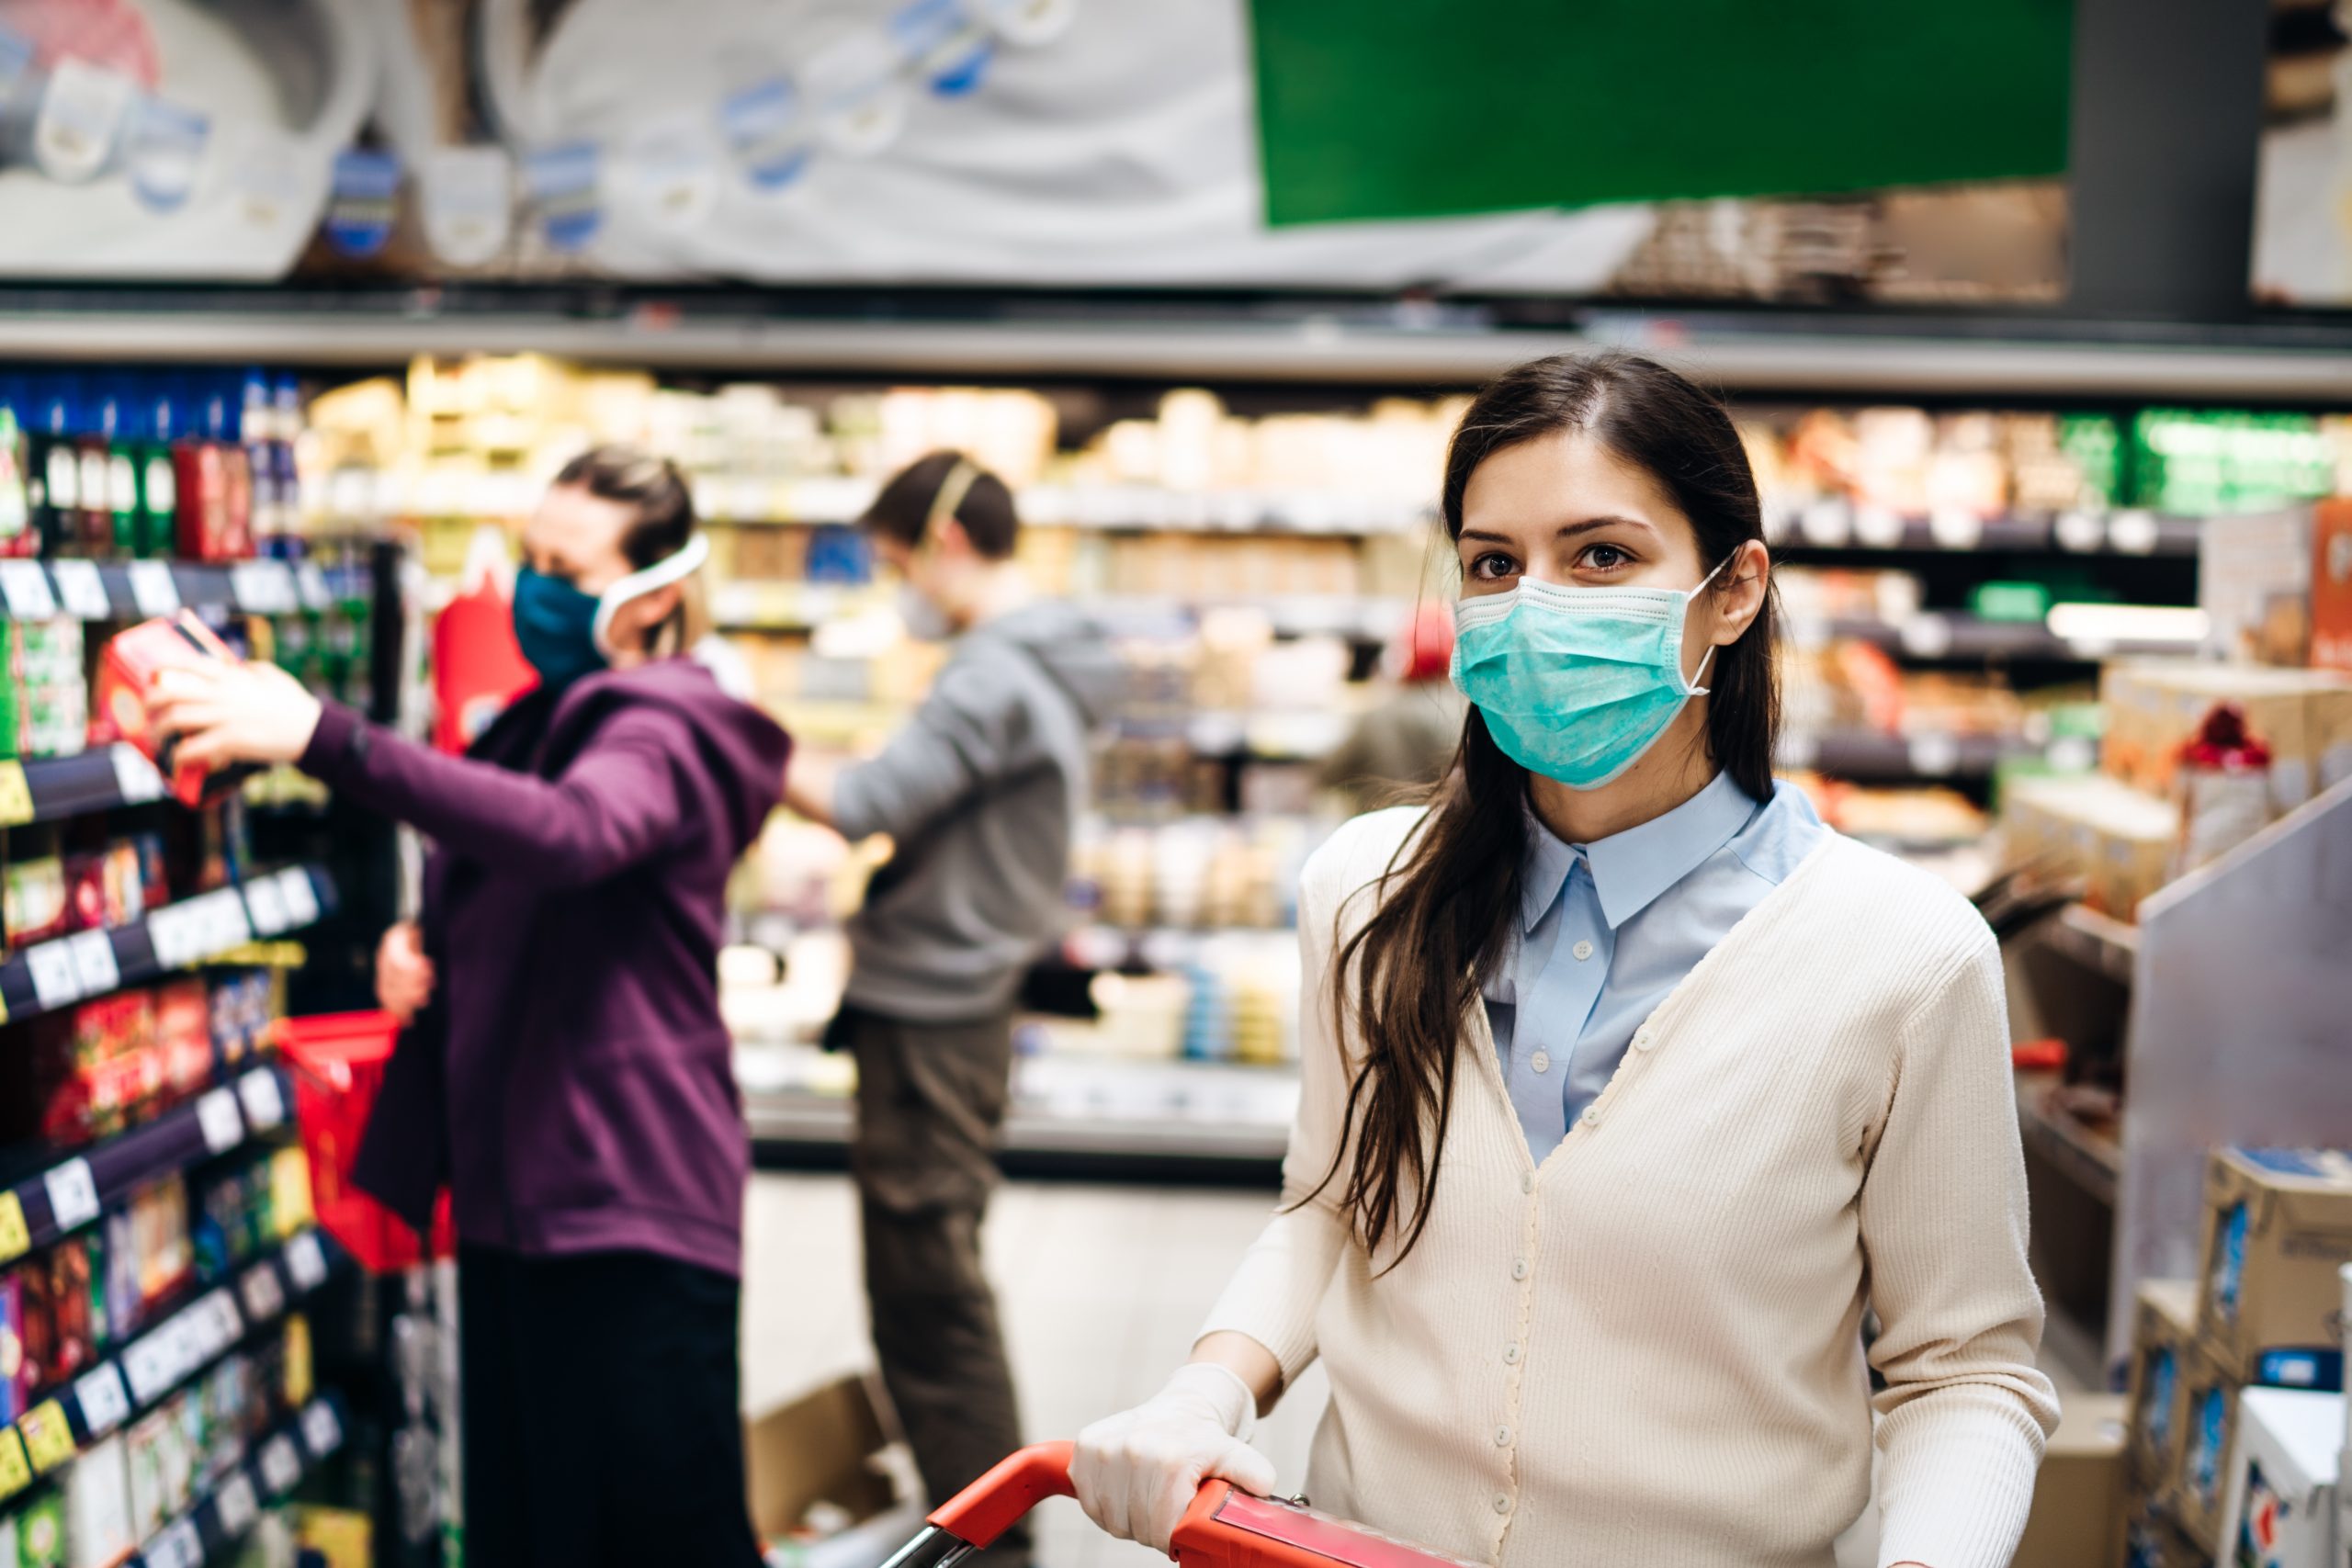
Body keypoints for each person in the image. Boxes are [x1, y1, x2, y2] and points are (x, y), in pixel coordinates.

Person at [1072, 354, 2059, 1568]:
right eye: (1495, 563)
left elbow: (1964, 1364)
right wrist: (1204, 1392)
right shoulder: (1371, 894)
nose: (1536, 605)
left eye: (1601, 556)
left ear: (1735, 586)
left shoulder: (1902, 957)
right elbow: (1333, 1206)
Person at [153, 446, 789, 1568]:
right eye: (529, 557)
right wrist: (436, 948)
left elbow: (573, 835)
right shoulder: (550, 716)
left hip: (624, 1210)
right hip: (520, 1207)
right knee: (529, 1537)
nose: (533, 588)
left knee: (656, 1540)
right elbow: (524, 871)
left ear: (656, 596)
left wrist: (322, 736)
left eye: (567, 565)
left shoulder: (669, 722)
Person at [783, 451, 1117, 1564]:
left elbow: (870, 801)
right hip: (963, 996)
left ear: (949, 545)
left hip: (934, 1003)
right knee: (934, 1275)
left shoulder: (991, 674)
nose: (896, 586)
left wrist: (738, 730)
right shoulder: (1046, 658)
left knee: (928, 1294)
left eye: (893, 562)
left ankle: (984, 1545)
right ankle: (977, 1526)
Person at [1315, 603, 1467, 813]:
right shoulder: (1467, 715)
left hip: (1381, 837)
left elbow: (1329, 774)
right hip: (1443, 836)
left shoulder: (1377, 715)